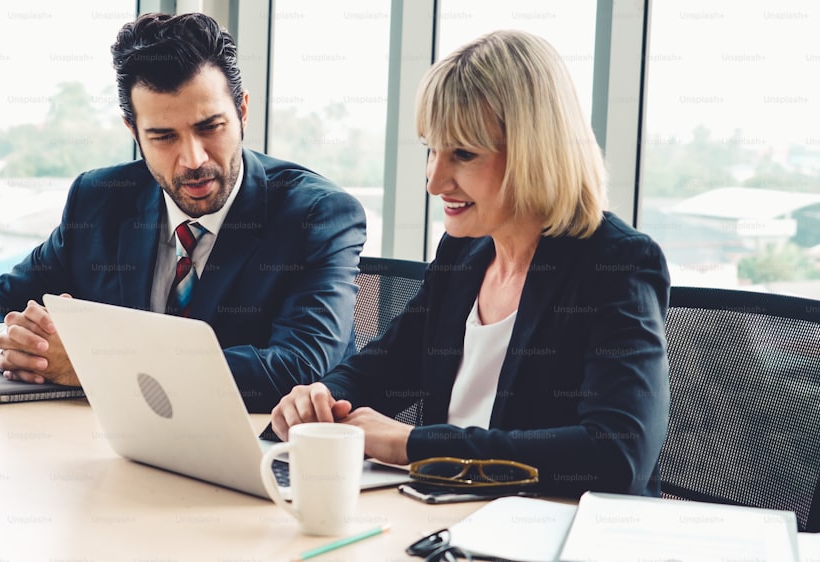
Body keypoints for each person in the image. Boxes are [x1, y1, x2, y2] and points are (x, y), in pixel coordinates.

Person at [271, 30, 670, 497]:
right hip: (440, 517)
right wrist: (319, 398)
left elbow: (615, 455)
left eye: (463, 153)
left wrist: (417, 446)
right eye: (431, 149)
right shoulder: (464, 253)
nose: (435, 181)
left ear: (533, 153)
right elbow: (383, 368)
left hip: (548, 534)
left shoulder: (616, 263)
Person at [0, 12, 366, 413]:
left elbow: (297, 368)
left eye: (209, 127)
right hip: (116, 450)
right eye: (163, 136)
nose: (192, 159)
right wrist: (11, 349)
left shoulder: (319, 215)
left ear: (241, 111)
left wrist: (97, 366)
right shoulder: (98, 201)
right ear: (134, 132)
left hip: (259, 462)